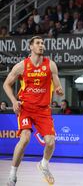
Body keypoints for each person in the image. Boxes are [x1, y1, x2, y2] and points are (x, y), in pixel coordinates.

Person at [3, 36, 64, 185]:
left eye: (42, 43)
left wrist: (59, 89)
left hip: (43, 110)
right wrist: (13, 101)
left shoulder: (51, 65)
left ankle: (43, 164)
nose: (41, 45)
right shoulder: (21, 66)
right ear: (30, 47)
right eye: (38, 43)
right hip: (26, 108)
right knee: (25, 139)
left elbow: (57, 85)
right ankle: (12, 174)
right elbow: (6, 84)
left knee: (50, 142)